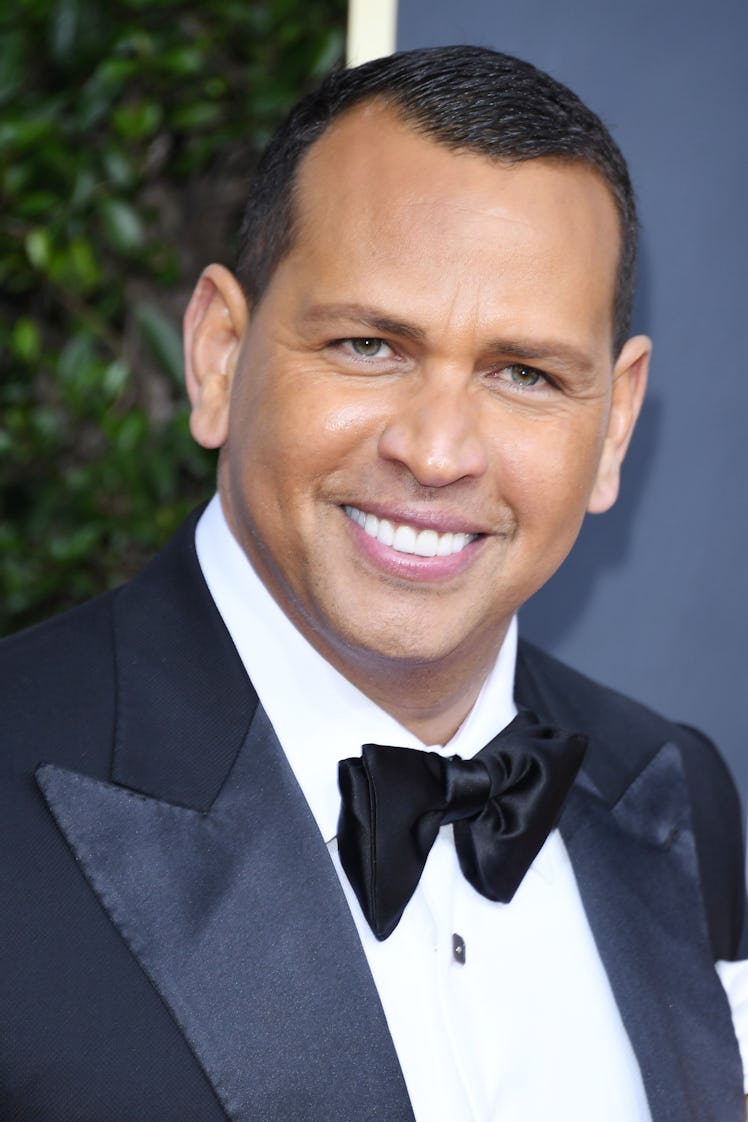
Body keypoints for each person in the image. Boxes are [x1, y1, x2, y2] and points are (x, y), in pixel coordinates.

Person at [0, 45, 745, 1122]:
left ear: (614, 424)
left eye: (523, 374)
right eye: (369, 345)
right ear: (217, 356)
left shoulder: (676, 794)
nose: (439, 453)